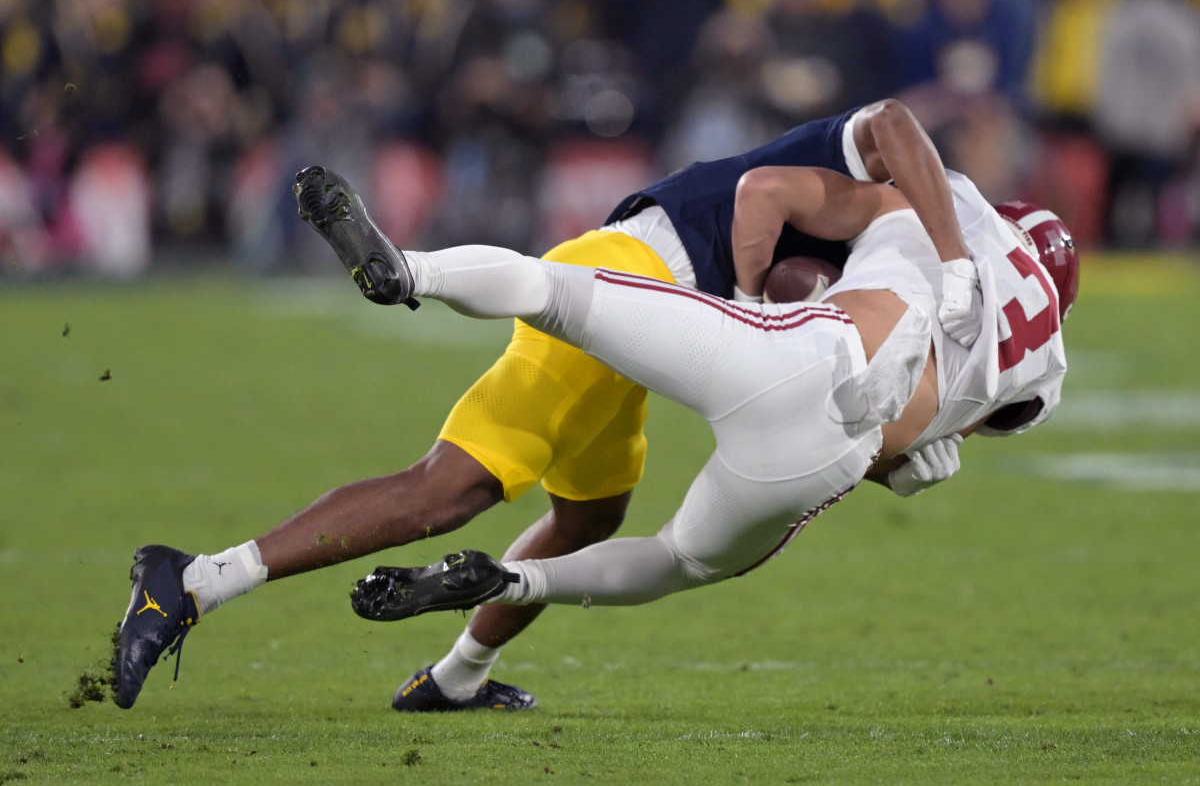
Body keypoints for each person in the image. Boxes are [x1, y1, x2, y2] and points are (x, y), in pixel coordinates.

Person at [110, 99, 994, 711]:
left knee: (589, 515)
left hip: (658, 306)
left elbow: (821, 399)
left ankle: (457, 678)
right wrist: (787, 299)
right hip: (646, 273)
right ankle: (194, 579)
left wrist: (893, 450)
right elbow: (874, 138)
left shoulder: (889, 244)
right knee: (447, 490)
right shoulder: (889, 201)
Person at [329, 164, 1074, 647]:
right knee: (677, 560)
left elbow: (772, 191)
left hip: (803, 348)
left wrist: (765, 294)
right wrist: (914, 462)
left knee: (554, 290)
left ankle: (408, 271)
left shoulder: (947, 204)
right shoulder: (1046, 370)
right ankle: (513, 582)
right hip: (829, 458)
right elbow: (970, 419)